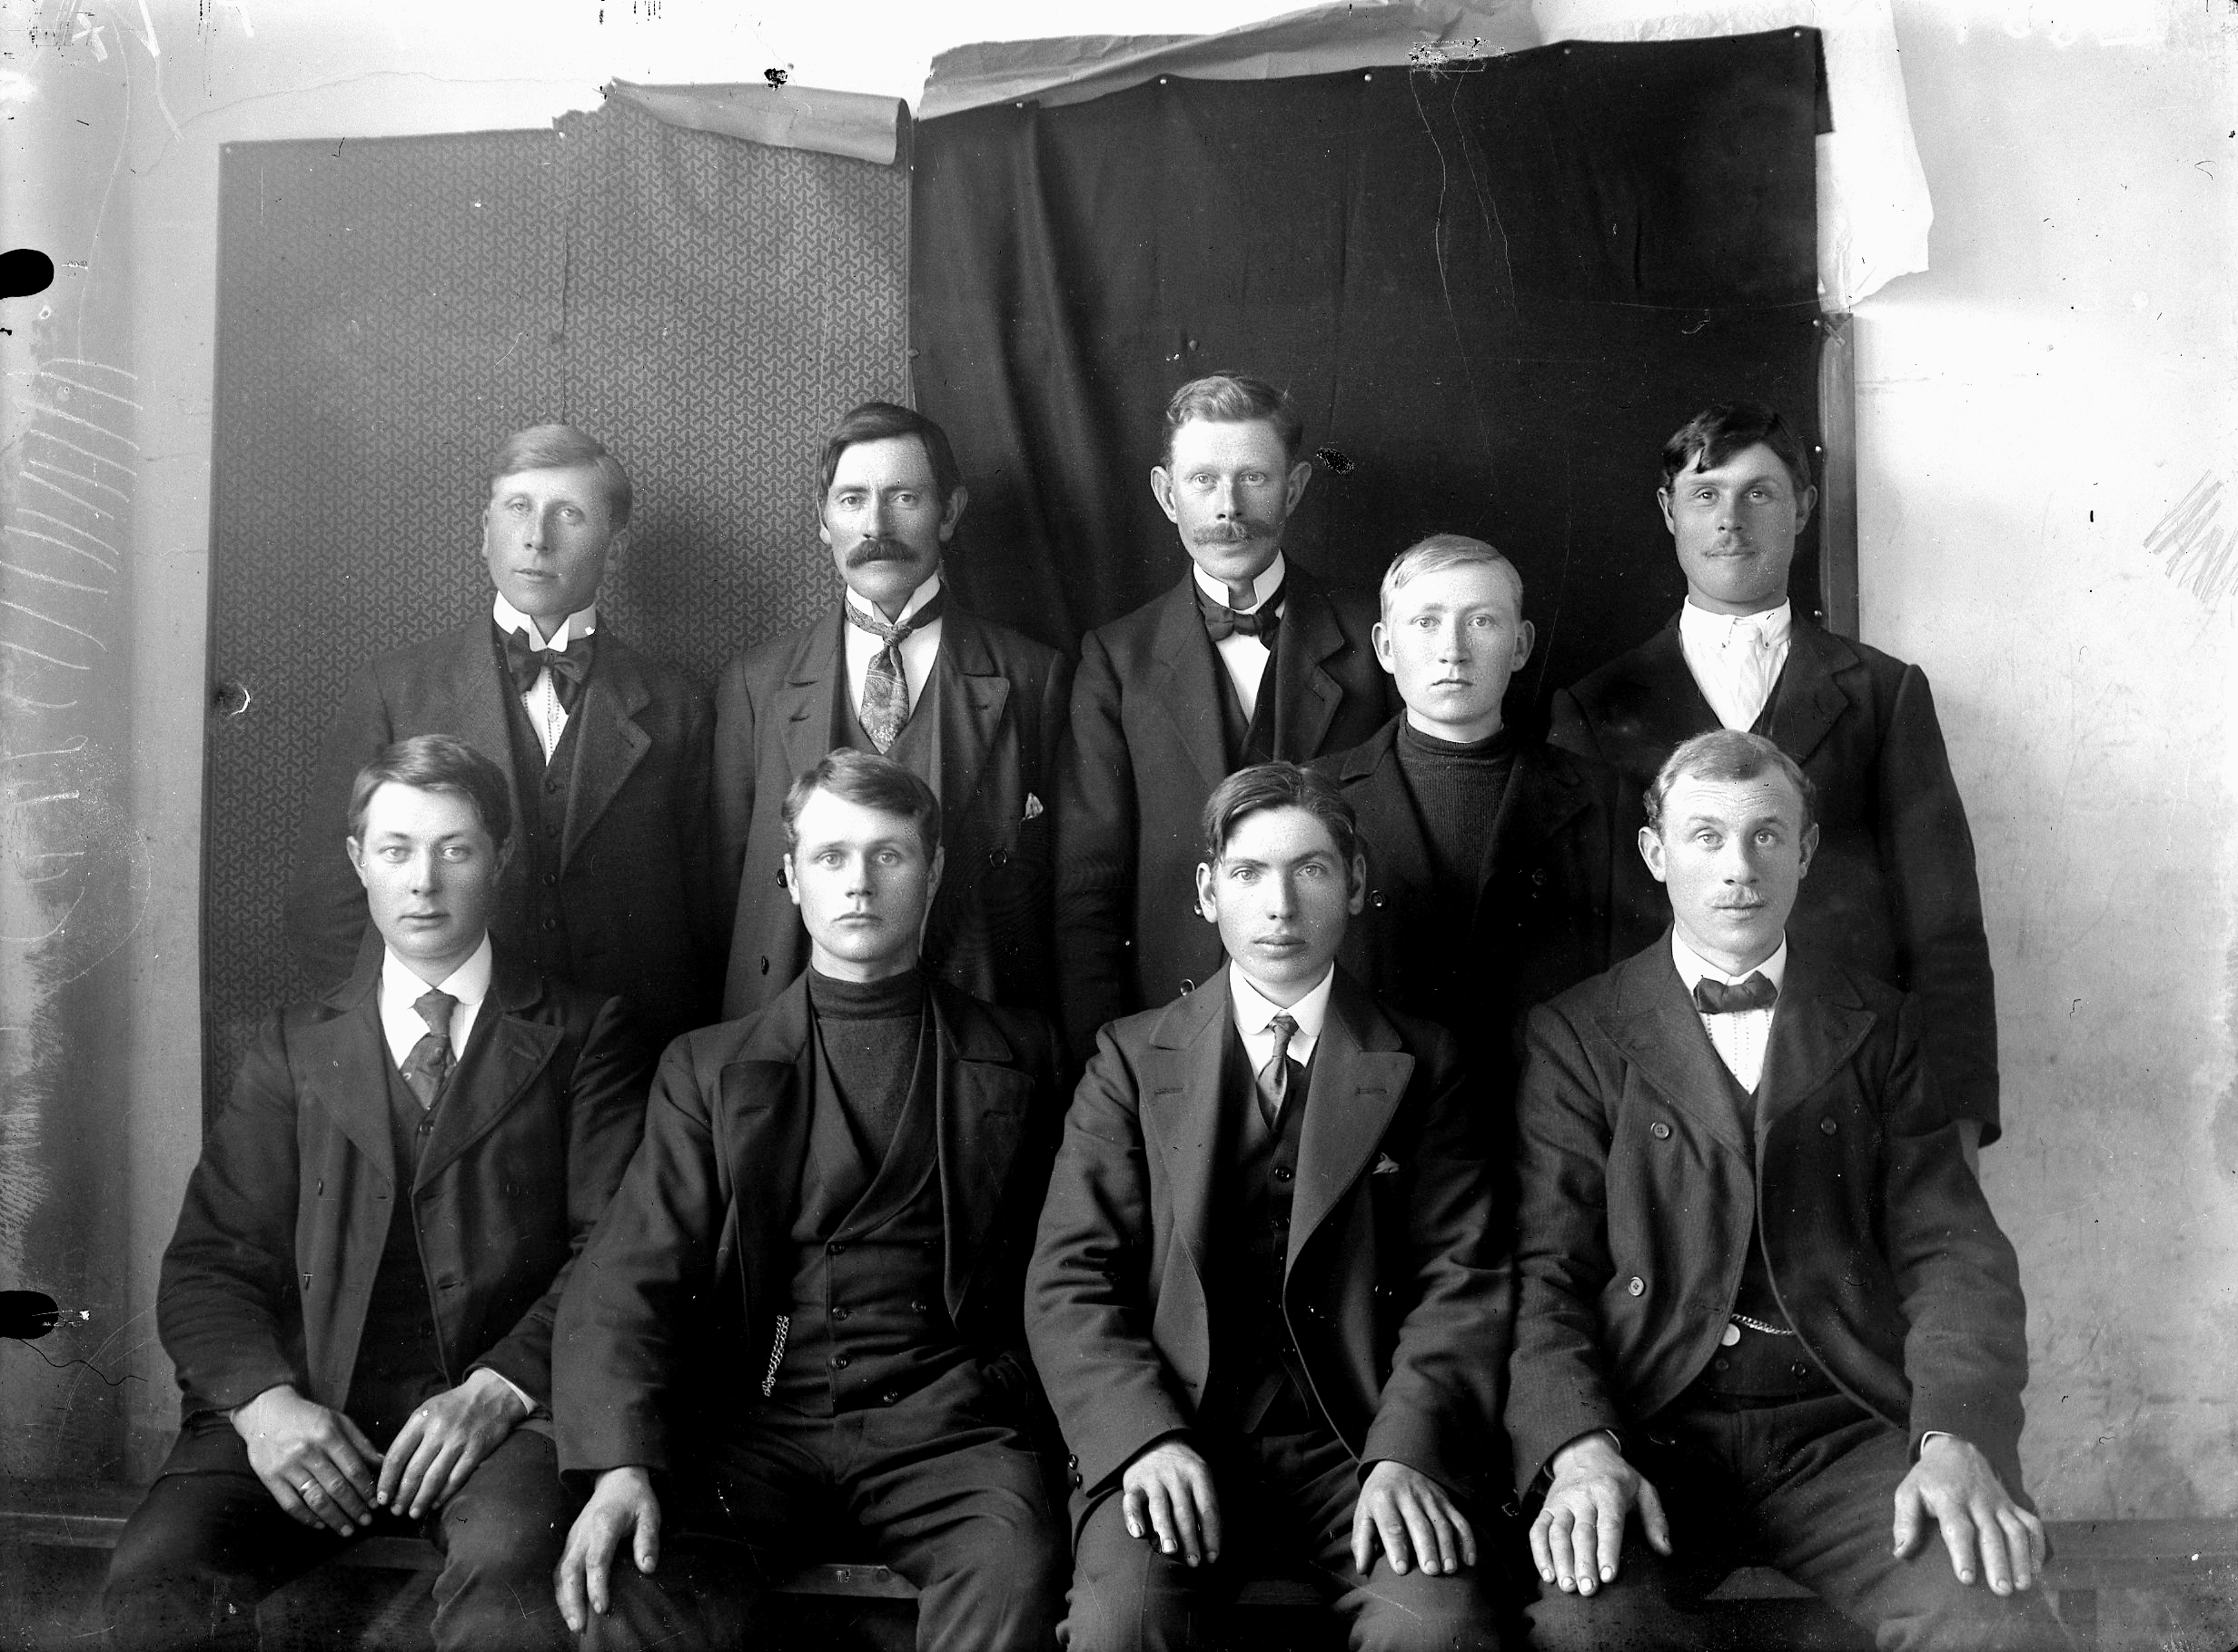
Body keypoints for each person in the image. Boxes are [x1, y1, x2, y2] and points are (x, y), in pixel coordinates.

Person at [1508, 729, 2064, 1651]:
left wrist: (1953, 1437)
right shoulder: (1578, 1033)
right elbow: (1545, 1274)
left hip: (1843, 1431)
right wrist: (1579, 1447)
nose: (1738, 867)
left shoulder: (1879, 1024)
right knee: (1590, 1624)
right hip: (1653, 1430)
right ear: (1654, 853)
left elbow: (1951, 1254)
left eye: (1766, 834)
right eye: (1705, 836)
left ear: (1805, 851)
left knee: (1988, 1611)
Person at [107, 736, 649, 1651]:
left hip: (499, 1420)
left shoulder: (584, 1033)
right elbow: (207, 1263)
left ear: (501, 858)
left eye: (455, 848)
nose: (424, 882)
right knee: (161, 1576)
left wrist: (503, 1386)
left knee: (510, 1576)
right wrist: (264, 1405)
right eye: (396, 850)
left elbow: (613, 1255)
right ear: (359, 860)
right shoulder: (293, 1045)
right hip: (310, 1405)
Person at [552, 749, 1069, 1651]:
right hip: (759, 1422)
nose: (859, 882)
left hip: (949, 1431)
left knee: (1014, 1559)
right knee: (635, 1577)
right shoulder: (708, 1067)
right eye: (831, 856)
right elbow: (627, 1276)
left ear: (933, 871)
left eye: (889, 854)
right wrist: (620, 1464)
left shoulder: (1022, 1053)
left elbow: (1063, 1268)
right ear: (791, 877)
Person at [1030, 762, 1508, 1651]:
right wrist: (1144, 1439)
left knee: (1436, 1631)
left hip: (1358, 1445)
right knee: (1122, 1624)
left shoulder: (1426, 1060)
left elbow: (1461, 1281)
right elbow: (1069, 1279)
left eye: (1310, 869)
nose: (1280, 905)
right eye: (1249, 873)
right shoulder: (1130, 1059)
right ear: (1208, 892)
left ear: (1354, 885)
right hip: (1179, 1436)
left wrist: (1405, 1448)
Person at [1548, 401, 2001, 1151]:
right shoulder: (1595, 709)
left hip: (1851, 1095)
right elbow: (1574, 944)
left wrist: (1955, 1128)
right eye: (1705, 494)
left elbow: (1945, 930)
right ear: (1668, 511)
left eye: (1758, 493)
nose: (1730, 520)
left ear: (1803, 508)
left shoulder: (1882, 695)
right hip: (1662, 1113)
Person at [284, 423, 718, 1049]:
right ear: (486, 531)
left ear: (614, 550)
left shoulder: (678, 705)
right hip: (452, 1055)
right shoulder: (396, 691)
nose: (537, 537)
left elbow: (707, 915)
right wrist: (409, 1038)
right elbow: (326, 902)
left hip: (626, 1054)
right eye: (518, 508)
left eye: (568, 514)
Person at [1055, 371, 1397, 1059]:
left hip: (1346, 1020)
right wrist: (1110, 1056)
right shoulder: (1115, 660)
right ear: (1166, 495)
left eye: (1254, 478)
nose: (1228, 507)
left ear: (1294, 488)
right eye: (1203, 480)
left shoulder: (1374, 644)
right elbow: (1089, 886)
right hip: (1170, 1023)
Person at [713, 401, 1071, 1021]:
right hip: (792, 1031)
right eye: (852, 500)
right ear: (823, 519)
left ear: (949, 512)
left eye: (904, 497)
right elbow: (725, 888)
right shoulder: (755, 684)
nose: (875, 525)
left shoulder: (1034, 676)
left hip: (975, 1029)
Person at [1312, 533, 1655, 1092]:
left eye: (1481, 621)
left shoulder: (1605, 799)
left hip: (1552, 1114)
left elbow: (1633, 1002)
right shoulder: (1315, 798)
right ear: (1385, 647)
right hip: (1379, 1115)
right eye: (1426, 622)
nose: (1453, 650)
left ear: (1520, 646)